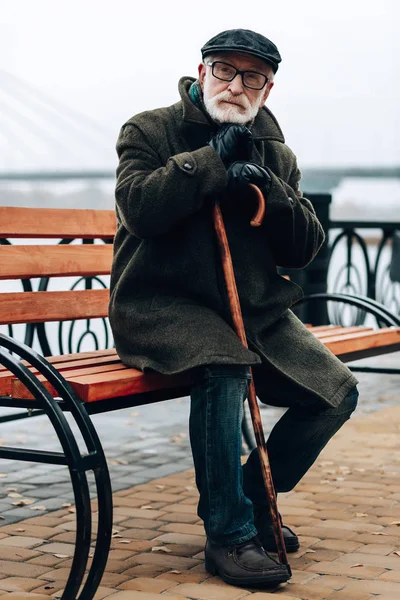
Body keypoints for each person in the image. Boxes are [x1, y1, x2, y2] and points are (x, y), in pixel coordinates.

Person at [109, 28, 359, 588]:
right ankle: (229, 534)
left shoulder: (277, 150)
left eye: (252, 78)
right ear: (202, 73)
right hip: (161, 303)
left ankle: (247, 500)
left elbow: (302, 249)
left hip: (252, 309)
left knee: (338, 392)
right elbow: (140, 210)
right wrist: (209, 162)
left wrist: (272, 194)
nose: (236, 85)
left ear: (266, 91)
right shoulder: (150, 129)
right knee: (226, 366)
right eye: (225, 70)